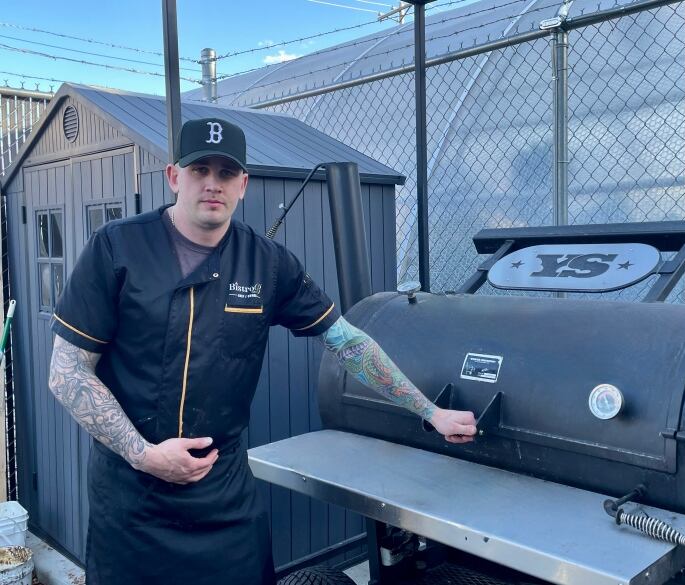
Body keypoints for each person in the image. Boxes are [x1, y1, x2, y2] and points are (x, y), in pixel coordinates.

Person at [48, 117, 477, 585]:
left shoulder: (267, 263)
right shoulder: (117, 247)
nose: (213, 184)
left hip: (223, 493)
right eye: (199, 170)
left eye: (226, 173)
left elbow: (346, 342)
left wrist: (430, 411)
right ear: (174, 176)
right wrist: (144, 455)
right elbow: (67, 372)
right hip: (132, 499)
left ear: (243, 184)